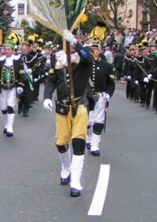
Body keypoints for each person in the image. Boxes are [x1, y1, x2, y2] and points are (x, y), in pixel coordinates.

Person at [43, 30, 94, 197]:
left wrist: (75, 42)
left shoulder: (85, 53)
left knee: (78, 140)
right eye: (67, 41)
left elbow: (89, 59)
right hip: (62, 105)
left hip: (80, 104)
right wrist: (47, 97)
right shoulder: (57, 57)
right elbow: (51, 80)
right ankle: (66, 167)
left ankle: (76, 181)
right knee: (60, 141)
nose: (70, 45)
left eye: (72, 41)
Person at [86, 37, 115, 156]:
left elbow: (111, 83)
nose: (95, 51)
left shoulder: (106, 66)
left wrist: (108, 94)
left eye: (97, 49)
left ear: (100, 50)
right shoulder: (85, 64)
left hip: (100, 96)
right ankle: (88, 138)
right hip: (86, 96)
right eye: (92, 49)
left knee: (98, 122)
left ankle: (95, 145)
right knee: (87, 121)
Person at [0, 40, 24, 136]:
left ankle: (10, 127)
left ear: (13, 50)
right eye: (5, 49)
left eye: (9, 49)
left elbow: (22, 74)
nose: (6, 51)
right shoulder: (0, 61)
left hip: (13, 87)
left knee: (10, 106)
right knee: (3, 108)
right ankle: (6, 123)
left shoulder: (18, 60)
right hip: (2, 87)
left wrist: (20, 85)